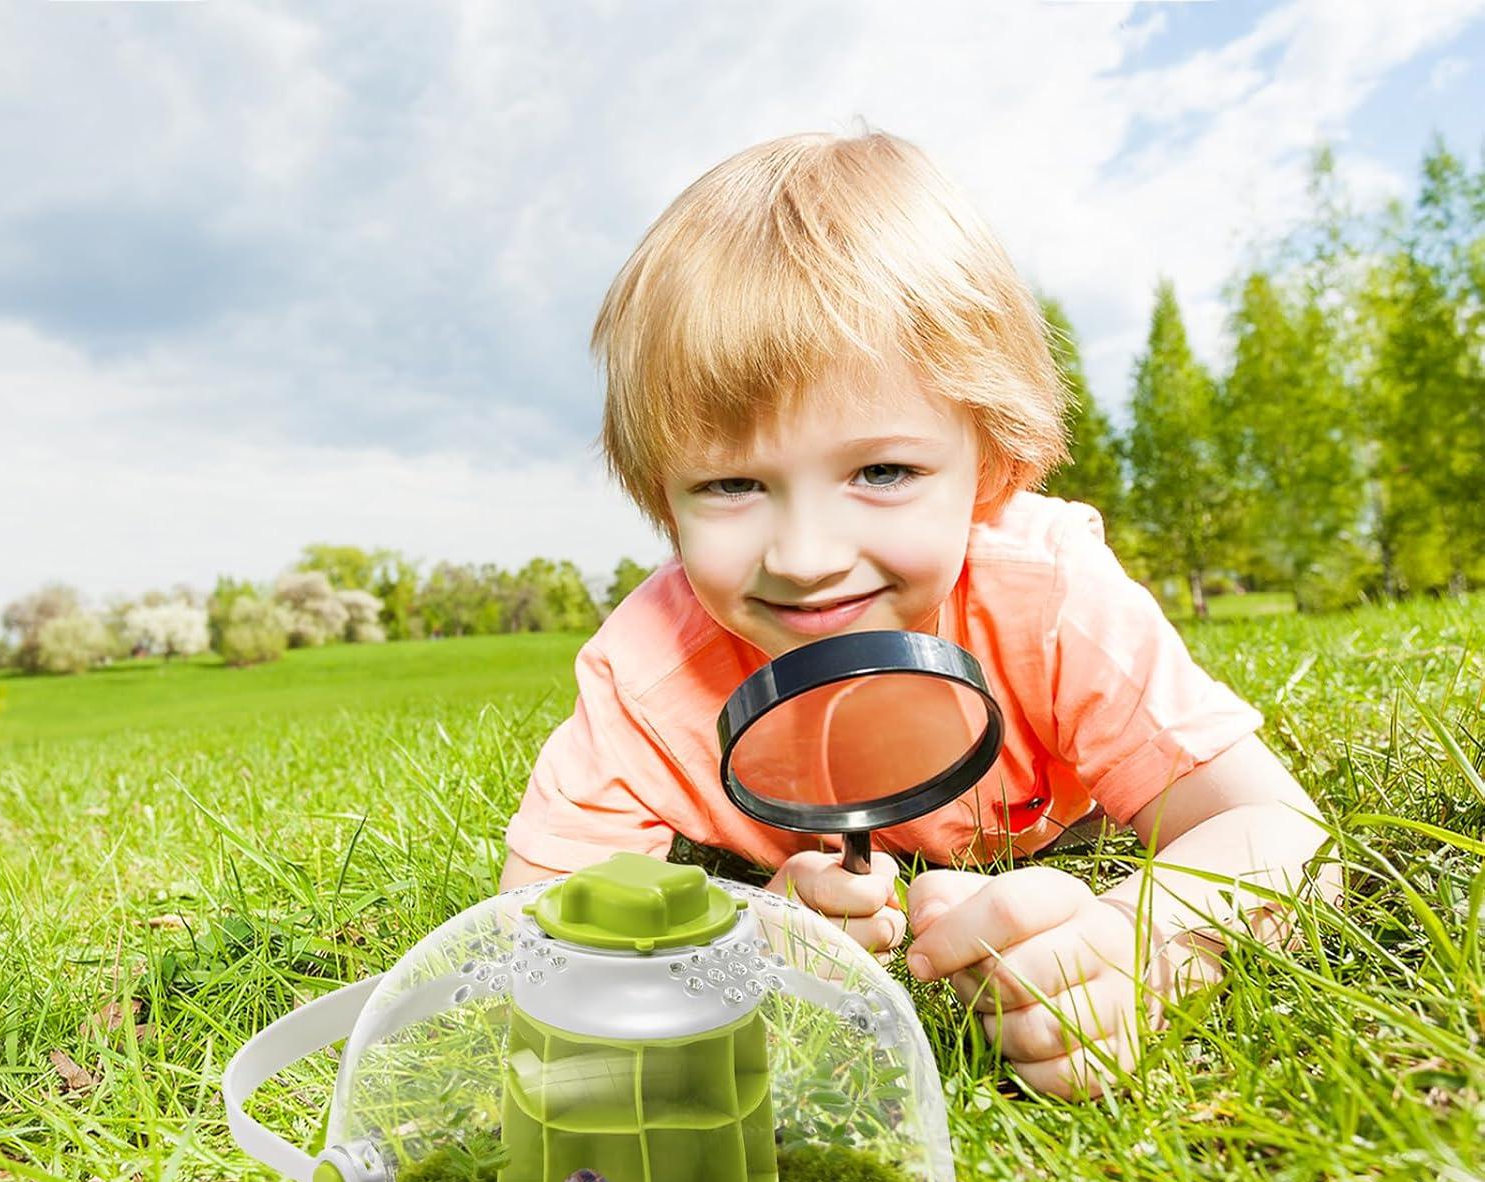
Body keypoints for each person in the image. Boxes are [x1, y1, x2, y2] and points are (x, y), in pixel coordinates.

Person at [499, 127, 1335, 1098]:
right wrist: (739, 950)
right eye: (731, 484)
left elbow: (1284, 834)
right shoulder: (644, 675)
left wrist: (1140, 945)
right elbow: (535, 947)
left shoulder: (1048, 591)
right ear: (661, 495)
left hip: (1052, 831)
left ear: (993, 460)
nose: (806, 558)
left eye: (884, 471)